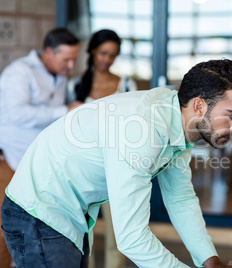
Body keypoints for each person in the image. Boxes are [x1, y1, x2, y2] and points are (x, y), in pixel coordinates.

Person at [1, 59, 232, 268]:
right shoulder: (143, 130)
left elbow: (180, 199)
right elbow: (131, 238)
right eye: (231, 115)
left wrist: (211, 263)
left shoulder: (177, 121)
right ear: (199, 105)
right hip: (39, 211)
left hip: (69, 213)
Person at [0, 27, 81, 268]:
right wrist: (63, 111)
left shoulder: (60, 74)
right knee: (4, 231)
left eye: (74, 59)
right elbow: (17, 113)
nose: (70, 65)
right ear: (48, 52)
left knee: (32, 229)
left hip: (34, 165)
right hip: (9, 161)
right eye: (66, 59)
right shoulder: (19, 73)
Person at [68, 29, 137, 268]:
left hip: (118, 166)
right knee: (84, 232)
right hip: (84, 168)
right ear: (92, 51)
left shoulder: (127, 84)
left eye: (113, 55)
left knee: (119, 231)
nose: (107, 59)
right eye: (103, 53)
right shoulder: (74, 85)